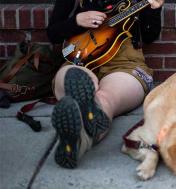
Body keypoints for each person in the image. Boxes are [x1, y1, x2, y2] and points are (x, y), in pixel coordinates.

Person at [47, 0, 164, 168]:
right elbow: (53, 33)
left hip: (124, 62)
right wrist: (77, 21)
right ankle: (83, 130)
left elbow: (149, 36)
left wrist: (154, 9)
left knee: (105, 98)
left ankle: (77, 140)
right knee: (73, 78)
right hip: (81, 56)